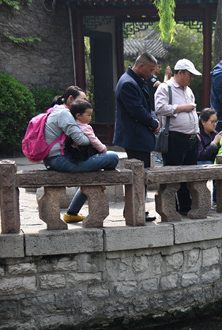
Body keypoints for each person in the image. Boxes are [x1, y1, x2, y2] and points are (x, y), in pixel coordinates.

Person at [43, 86, 120, 223]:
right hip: (61, 160)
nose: (86, 102)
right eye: (83, 99)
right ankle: (101, 183)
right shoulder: (64, 114)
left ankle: (72, 212)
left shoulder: (56, 111)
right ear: (71, 99)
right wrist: (88, 136)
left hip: (56, 159)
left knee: (95, 169)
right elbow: (82, 140)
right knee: (112, 157)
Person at [114, 52, 161, 222]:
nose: (151, 74)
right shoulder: (128, 83)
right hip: (135, 137)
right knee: (139, 176)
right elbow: (137, 110)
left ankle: (136, 209)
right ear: (141, 66)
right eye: (150, 70)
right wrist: (154, 123)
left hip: (139, 136)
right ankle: (135, 210)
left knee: (142, 176)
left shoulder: (135, 80)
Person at [155, 58, 201, 216]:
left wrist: (196, 132)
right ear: (180, 73)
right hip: (174, 137)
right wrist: (181, 108)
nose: (192, 78)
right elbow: (159, 108)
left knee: (190, 174)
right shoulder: (165, 88)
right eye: (190, 75)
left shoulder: (188, 90)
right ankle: (170, 208)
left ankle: (186, 206)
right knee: (173, 174)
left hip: (191, 138)